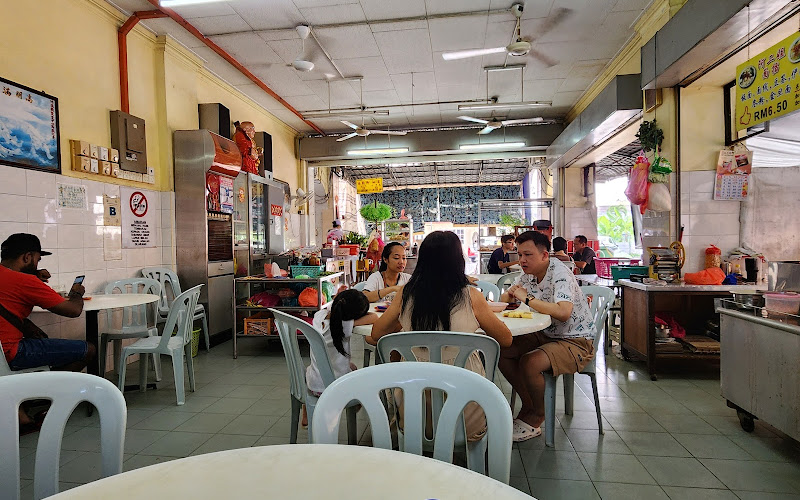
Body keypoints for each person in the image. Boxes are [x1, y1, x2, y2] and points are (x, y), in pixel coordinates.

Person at [370, 231, 512, 441]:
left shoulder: (406, 294)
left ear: (422, 261)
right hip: (466, 412)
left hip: (414, 411)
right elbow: (506, 339)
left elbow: (376, 334)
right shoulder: (472, 296)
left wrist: (404, 321)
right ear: (458, 260)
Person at [498, 231, 595, 442]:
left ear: (544, 255)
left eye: (528, 255)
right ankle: (530, 405)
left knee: (530, 362)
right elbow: (508, 296)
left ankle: (538, 415)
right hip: (546, 334)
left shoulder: (559, 273)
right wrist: (510, 294)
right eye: (519, 254)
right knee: (502, 351)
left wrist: (527, 298)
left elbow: (563, 312)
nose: (522, 260)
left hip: (575, 340)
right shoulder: (529, 274)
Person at [0, 234, 96, 429]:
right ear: (27, 257)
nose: (37, 264)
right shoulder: (25, 282)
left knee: (42, 340)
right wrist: (76, 293)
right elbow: (73, 310)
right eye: (37, 259)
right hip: (11, 352)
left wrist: (34, 275)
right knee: (88, 350)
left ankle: (20, 406)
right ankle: (38, 396)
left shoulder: (13, 277)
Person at [301, 289, 378, 426]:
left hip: (314, 385)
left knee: (351, 367)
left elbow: (332, 308)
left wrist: (338, 298)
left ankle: (307, 408)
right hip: (336, 388)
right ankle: (353, 404)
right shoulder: (345, 325)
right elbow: (374, 317)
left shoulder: (318, 316)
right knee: (362, 379)